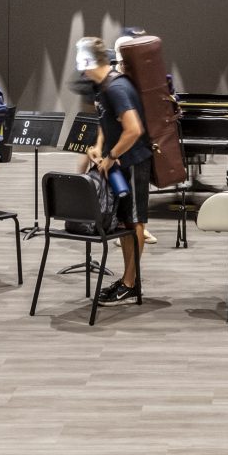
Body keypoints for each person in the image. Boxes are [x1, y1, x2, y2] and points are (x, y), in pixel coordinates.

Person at [74, 36, 151, 304]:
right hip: (119, 162)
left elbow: (134, 129)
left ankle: (131, 282)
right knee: (125, 223)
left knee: (134, 221)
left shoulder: (117, 87)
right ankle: (129, 279)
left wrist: (112, 156)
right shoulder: (104, 86)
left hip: (132, 162)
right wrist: (98, 146)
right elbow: (105, 122)